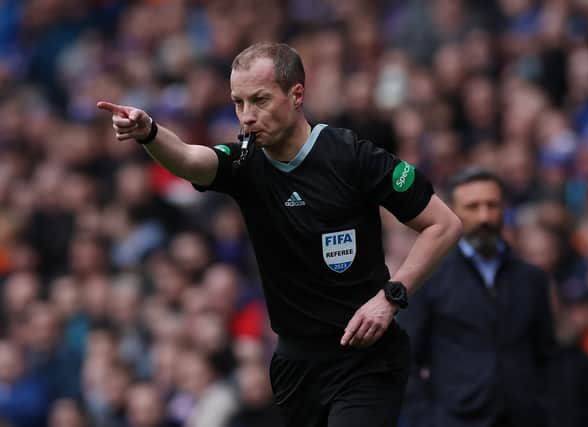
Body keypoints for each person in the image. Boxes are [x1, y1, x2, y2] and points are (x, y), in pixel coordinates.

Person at [97, 42, 462, 427]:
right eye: (238, 103)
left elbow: (444, 224)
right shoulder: (244, 161)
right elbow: (190, 159)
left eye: (260, 100)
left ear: (297, 94)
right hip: (295, 365)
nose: (247, 117)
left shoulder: (351, 157)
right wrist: (149, 133)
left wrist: (392, 296)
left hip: (365, 359)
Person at [398, 167, 558, 427]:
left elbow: (547, 355)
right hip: (454, 418)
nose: (484, 216)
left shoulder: (531, 279)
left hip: (523, 417)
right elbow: (406, 358)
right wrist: (424, 418)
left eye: (492, 205)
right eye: (473, 206)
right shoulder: (428, 277)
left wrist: (544, 406)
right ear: (453, 210)